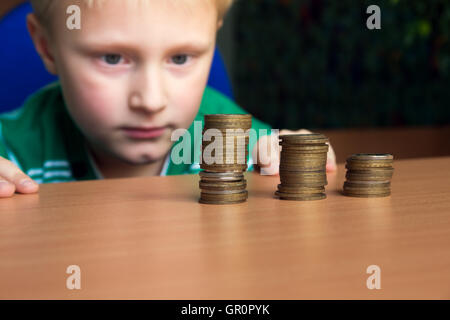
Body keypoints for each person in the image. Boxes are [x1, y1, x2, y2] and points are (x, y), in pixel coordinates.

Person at [0, 0, 336, 198]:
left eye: (180, 58)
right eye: (113, 58)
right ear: (46, 47)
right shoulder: (11, 151)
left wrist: (293, 155)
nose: (151, 100)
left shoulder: (233, 142)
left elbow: (280, 159)